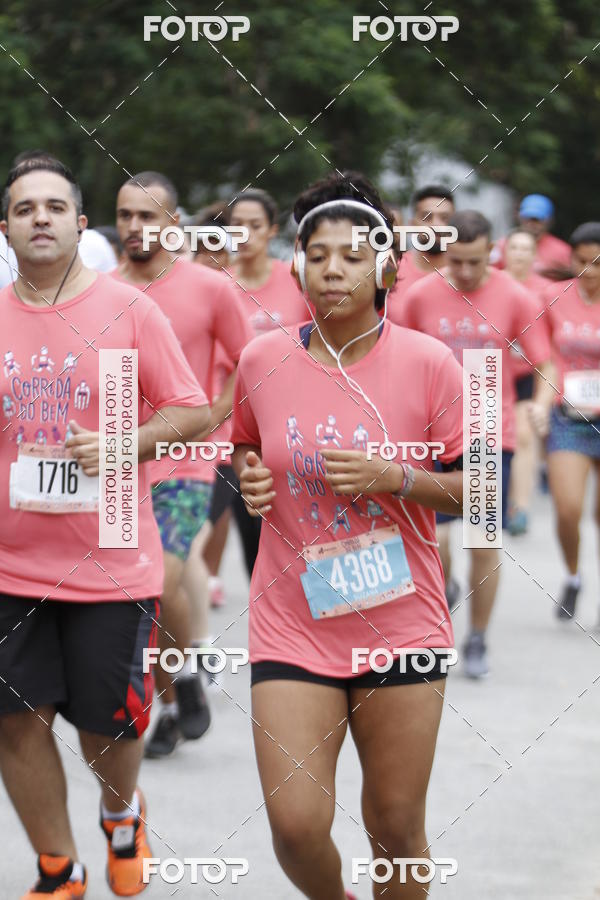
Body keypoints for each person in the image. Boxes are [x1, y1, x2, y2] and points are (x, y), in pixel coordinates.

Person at [231, 171, 465, 900]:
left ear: (386, 266)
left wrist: (394, 478)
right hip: (292, 620)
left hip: (399, 620)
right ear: (296, 264)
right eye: (318, 254)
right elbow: (243, 447)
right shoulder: (261, 359)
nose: (333, 269)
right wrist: (247, 479)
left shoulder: (432, 364)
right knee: (296, 826)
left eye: (354, 256)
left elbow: (480, 492)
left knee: (394, 823)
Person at [0, 157, 209, 898]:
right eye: (26, 209)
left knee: (108, 728)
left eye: (56, 206)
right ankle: (59, 867)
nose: (42, 218)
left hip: (111, 557)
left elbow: (190, 409)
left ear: (80, 223)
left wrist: (125, 443)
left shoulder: (128, 311)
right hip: (8, 565)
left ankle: (121, 814)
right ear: (7, 229)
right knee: (16, 723)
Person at [115, 172, 252, 756]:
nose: (135, 227)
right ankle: (176, 694)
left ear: (174, 224)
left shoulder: (209, 288)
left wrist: (216, 416)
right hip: (122, 462)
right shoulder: (102, 289)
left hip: (192, 459)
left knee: (164, 575)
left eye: (148, 216)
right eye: (125, 216)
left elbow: (252, 363)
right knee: (133, 598)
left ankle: (178, 681)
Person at [401, 210, 552, 678]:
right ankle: (442, 603)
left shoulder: (516, 297)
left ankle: (479, 637)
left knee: (483, 543)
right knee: (437, 538)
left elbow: (546, 362)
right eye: (456, 261)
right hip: (428, 432)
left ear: (492, 251)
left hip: (488, 429)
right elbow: (393, 354)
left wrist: (541, 403)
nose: (464, 272)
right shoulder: (421, 295)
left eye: (474, 261)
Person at [529, 222, 600, 620]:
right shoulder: (551, 298)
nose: (589, 271)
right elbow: (544, 358)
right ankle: (573, 576)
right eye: (581, 261)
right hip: (568, 415)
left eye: (597, 263)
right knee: (568, 508)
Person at [503, 229, 551, 534]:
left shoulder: (545, 291)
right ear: (505, 252)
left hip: (526, 374)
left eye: (526, 249)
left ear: (534, 255)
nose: (520, 254)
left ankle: (518, 508)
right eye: (514, 248)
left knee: (523, 436)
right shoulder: (491, 283)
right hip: (489, 374)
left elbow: (552, 340)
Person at [387, 184, 455, 324]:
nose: (436, 226)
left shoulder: (469, 274)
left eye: (445, 218)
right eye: (427, 217)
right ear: (412, 224)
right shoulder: (390, 269)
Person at [491, 194, 571, 276]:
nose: (531, 224)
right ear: (520, 217)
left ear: (549, 221)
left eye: (537, 219)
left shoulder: (562, 251)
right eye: (527, 218)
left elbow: (572, 282)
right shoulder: (503, 245)